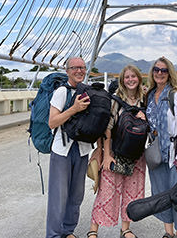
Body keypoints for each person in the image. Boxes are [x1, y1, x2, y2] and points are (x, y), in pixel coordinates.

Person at [88, 65, 146, 238]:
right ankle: (93, 229)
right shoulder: (116, 100)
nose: (130, 80)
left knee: (132, 191)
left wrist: (146, 118)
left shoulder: (145, 100)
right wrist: (106, 155)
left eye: (133, 76)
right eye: (127, 77)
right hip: (115, 152)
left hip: (137, 155)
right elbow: (107, 129)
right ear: (122, 80)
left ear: (139, 79)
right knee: (106, 191)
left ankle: (125, 228)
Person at [145, 57, 177, 238]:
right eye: (156, 69)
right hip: (156, 154)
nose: (159, 73)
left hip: (174, 154)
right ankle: (168, 233)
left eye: (164, 70)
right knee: (161, 195)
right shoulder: (149, 96)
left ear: (169, 73)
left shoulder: (175, 96)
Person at [46, 56, 92, 238]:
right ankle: (54, 234)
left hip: (81, 149)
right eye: (75, 68)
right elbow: (52, 122)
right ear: (67, 71)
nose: (79, 71)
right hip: (62, 150)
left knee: (76, 195)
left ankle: (68, 230)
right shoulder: (61, 92)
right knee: (59, 196)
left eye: (82, 67)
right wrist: (74, 108)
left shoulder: (88, 92)